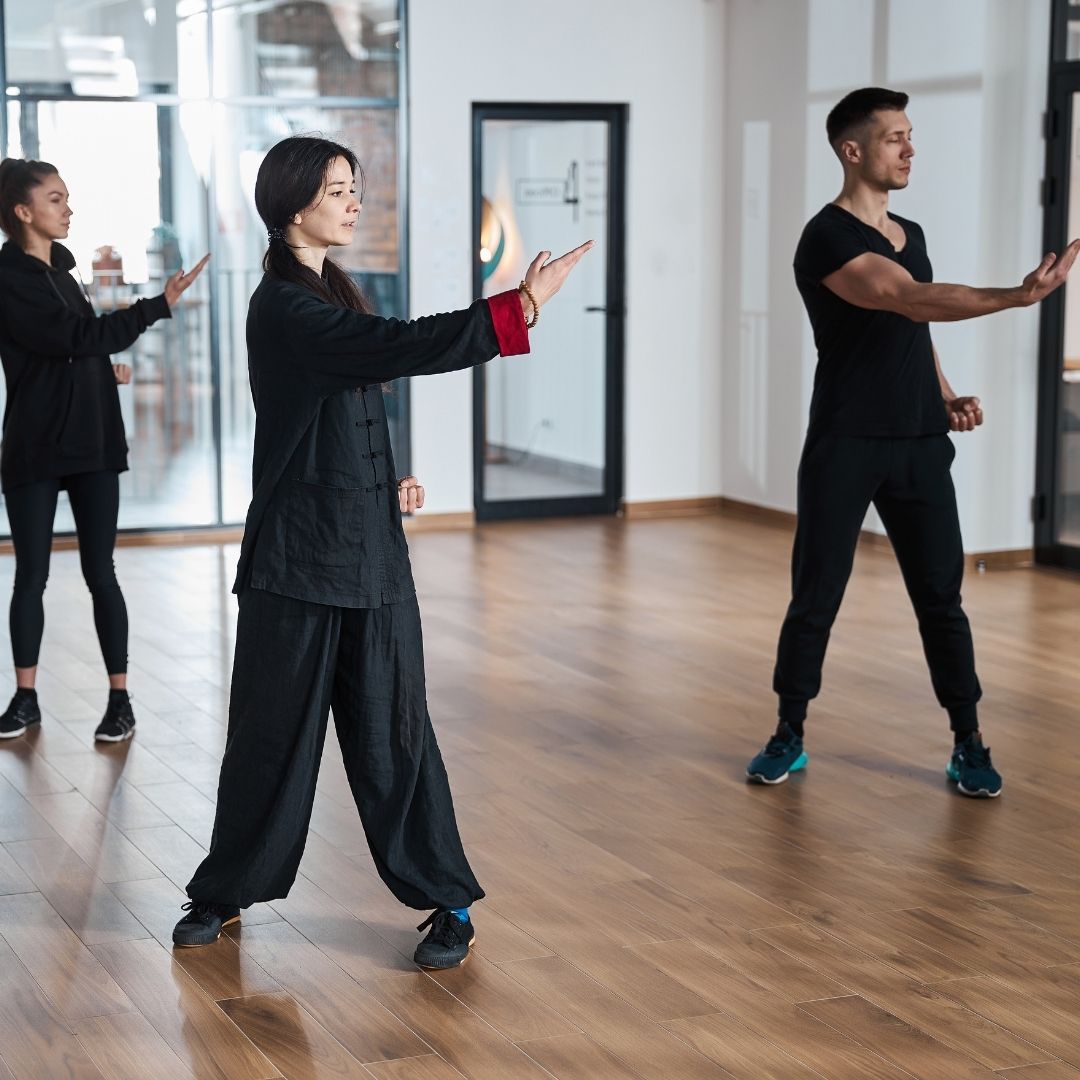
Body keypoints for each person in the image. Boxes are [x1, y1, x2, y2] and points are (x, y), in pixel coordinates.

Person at [171, 135, 592, 969]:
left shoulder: (332, 289)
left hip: (369, 549)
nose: (355, 201)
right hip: (297, 557)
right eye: (338, 190)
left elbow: (350, 404)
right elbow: (388, 350)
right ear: (295, 206)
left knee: (395, 732)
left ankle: (448, 903)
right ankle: (222, 891)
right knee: (271, 735)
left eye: (354, 187)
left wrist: (386, 478)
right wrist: (519, 307)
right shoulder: (284, 305)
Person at [746, 87, 1079, 798]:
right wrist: (1016, 297)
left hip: (920, 442)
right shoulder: (828, 237)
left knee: (941, 597)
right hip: (846, 440)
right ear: (853, 150)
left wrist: (944, 394)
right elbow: (904, 297)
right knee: (817, 594)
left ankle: (969, 741)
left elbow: (912, 329)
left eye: (910, 135)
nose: (910, 149)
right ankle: (788, 732)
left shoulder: (912, 233)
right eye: (895, 137)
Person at [0, 158, 208, 743]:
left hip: (91, 441)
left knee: (101, 572)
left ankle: (120, 702)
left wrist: (99, 372)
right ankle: (25, 700)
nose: (69, 209)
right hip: (36, 445)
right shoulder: (9, 276)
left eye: (67, 199)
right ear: (23, 212)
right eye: (56, 200)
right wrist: (157, 303)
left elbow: (71, 351)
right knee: (30, 578)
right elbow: (70, 339)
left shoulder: (64, 275)